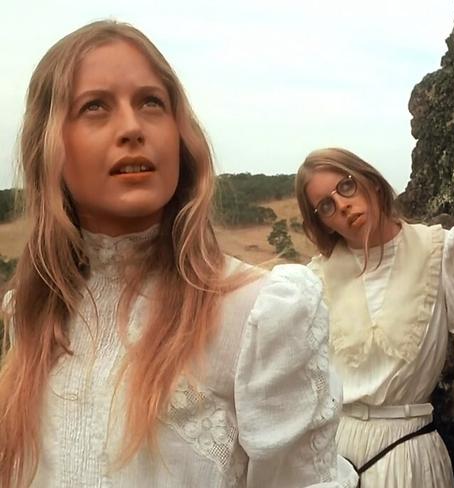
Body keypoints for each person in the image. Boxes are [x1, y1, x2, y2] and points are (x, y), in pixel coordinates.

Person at [0, 20, 357, 488]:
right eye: (95, 107)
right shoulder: (29, 316)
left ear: (180, 135)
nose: (131, 128)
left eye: (151, 102)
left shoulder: (259, 314)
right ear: (50, 146)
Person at [294, 147, 454, 487]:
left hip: (409, 451)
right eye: (325, 205)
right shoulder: (316, 277)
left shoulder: (437, 248)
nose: (341, 205)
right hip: (336, 456)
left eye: (346, 186)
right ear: (322, 221)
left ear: (369, 180)